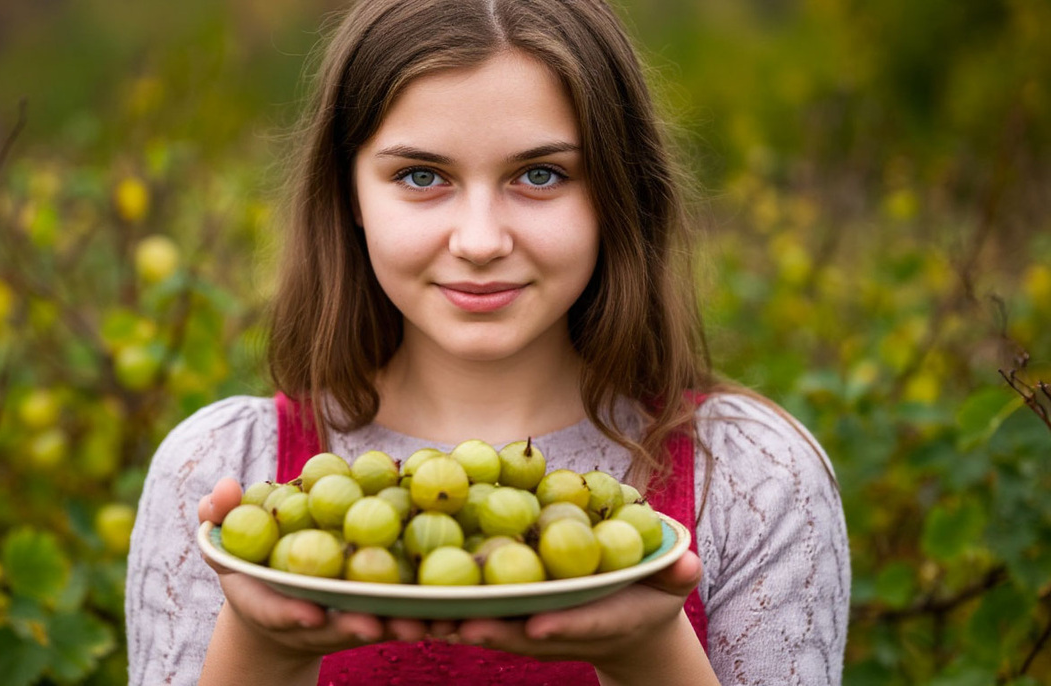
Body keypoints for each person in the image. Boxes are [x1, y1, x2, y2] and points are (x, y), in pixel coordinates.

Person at [125, 0, 851, 683]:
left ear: (617, 192)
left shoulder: (754, 477)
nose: (479, 241)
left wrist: (650, 655)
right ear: (348, 191)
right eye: (420, 175)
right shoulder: (220, 467)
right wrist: (259, 647)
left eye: (540, 175)